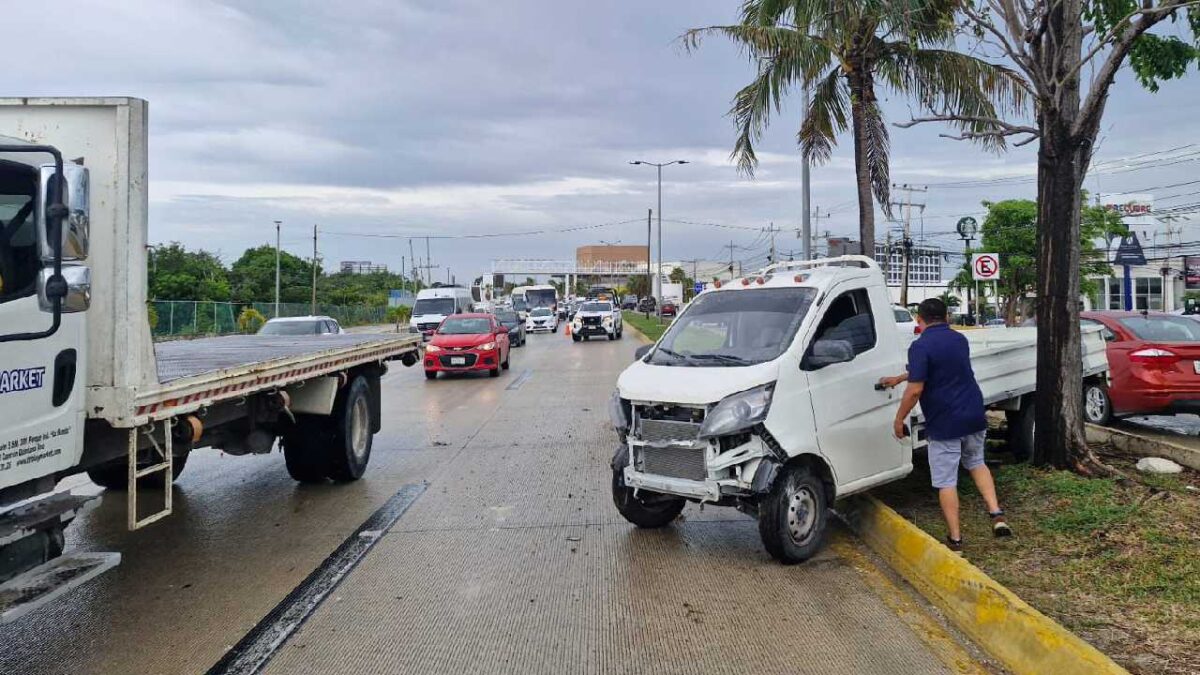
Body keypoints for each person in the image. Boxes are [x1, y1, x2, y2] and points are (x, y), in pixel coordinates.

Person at [880, 298, 1011, 552]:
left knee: (946, 480)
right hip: (973, 412)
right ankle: (997, 514)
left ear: (919, 320)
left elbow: (916, 390)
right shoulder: (959, 340)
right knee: (976, 461)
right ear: (946, 317)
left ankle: (956, 540)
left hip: (945, 421)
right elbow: (938, 366)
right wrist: (899, 378)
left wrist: (899, 419)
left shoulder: (920, 346)